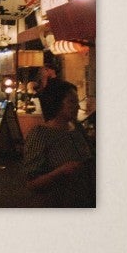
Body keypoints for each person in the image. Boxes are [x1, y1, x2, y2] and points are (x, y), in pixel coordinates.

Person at [21, 77, 95, 206]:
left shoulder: (77, 128)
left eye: (77, 101)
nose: (78, 106)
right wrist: (60, 172)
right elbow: (32, 183)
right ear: (56, 103)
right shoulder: (41, 134)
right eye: (72, 102)